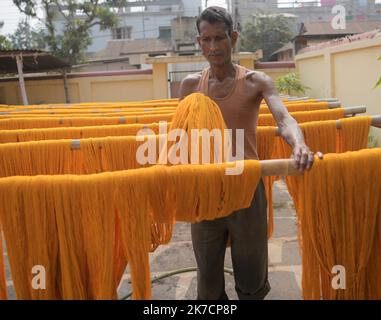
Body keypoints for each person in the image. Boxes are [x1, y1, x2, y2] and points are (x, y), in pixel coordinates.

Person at [178, 6, 323, 300]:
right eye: (206, 39)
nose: (214, 47)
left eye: (220, 38)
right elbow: (180, 136)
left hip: (247, 186)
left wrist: (300, 145)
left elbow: (285, 120)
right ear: (199, 42)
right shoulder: (191, 86)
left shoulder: (255, 82)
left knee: (252, 276)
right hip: (205, 189)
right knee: (207, 281)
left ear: (233, 38)